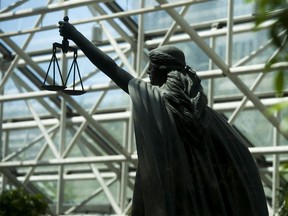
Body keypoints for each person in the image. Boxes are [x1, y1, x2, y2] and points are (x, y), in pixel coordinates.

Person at [58, 19, 268, 216]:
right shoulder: (211, 118)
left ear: (163, 70)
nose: (148, 72)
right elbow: (240, 160)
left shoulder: (156, 100)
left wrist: (76, 36)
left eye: (152, 66)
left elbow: (112, 68)